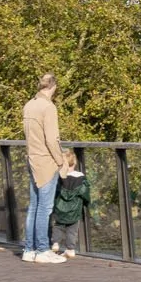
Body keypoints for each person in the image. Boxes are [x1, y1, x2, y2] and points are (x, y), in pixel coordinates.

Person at [21, 73, 65, 264]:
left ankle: (29, 249)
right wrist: (61, 161)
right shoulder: (48, 107)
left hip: (32, 159)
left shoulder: (29, 105)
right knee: (44, 208)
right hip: (46, 162)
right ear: (53, 87)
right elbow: (52, 139)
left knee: (34, 206)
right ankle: (42, 250)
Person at [50, 154, 90, 259]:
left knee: (58, 225)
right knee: (72, 229)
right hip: (75, 209)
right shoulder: (81, 177)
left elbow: (55, 192)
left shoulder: (59, 176)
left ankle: (55, 243)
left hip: (60, 207)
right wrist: (86, 203)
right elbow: (85, 193)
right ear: (75, 162)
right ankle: (70, 249)